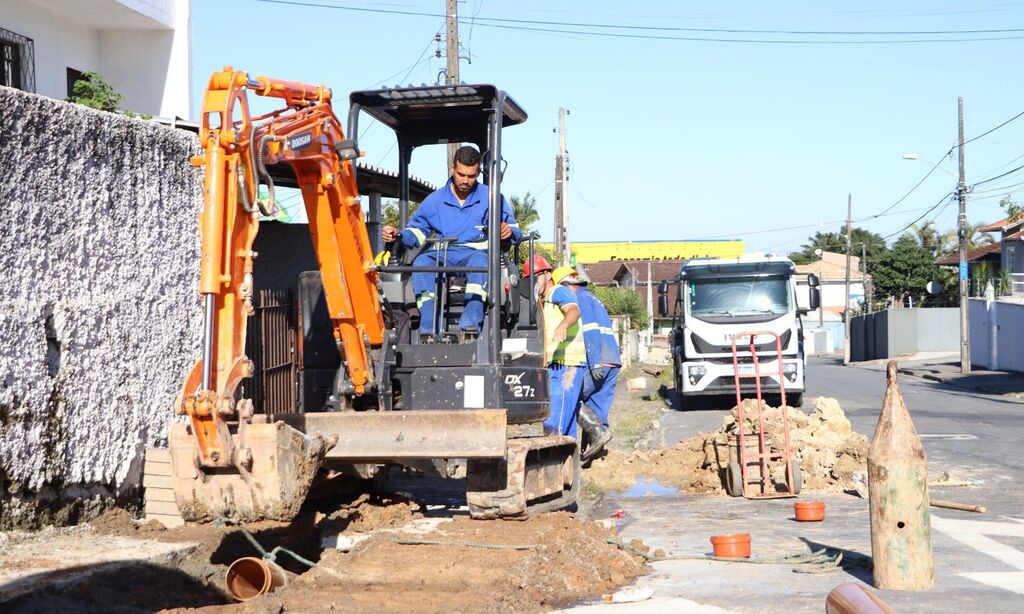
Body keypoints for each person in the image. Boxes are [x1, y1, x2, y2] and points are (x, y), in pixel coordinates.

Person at [382, 146, 521, 340]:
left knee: (481, 263)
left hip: (475, 255)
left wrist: (507, 231)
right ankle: (429, 330)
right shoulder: (434, 200)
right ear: (452, 168)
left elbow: (514, 229)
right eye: (461, 174)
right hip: (443, 255)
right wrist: (399, 235)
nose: (465, 181)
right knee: (421, 264)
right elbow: (417, 231)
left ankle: (470, 327)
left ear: (479, 172)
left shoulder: (492, 197)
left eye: (471, 176)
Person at [550, 265, 621, 462]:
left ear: (565, 285)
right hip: (612, 361)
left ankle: (597, 434)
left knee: (570, 397)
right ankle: (595, 455)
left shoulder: (579, 298)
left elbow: (589, 330)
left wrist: (595, 361)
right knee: (597, 405)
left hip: (597, 360)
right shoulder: (592, 297)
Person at [522, 255, 587, 437]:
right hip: (554, 364)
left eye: (535, 277)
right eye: (529, 279)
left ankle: (553, 460)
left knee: (556, 421)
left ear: (547, 274)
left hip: (566, 364)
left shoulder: (559, 292)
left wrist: (563, 325)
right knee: (563, 422)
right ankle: (567, 462)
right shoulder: (543, 301)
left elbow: (573, 311)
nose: (532, 283)